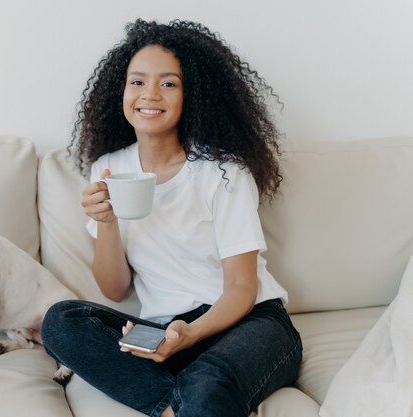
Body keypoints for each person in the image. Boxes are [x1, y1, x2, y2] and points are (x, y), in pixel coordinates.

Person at [41, 19, 302, 417]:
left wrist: (190, 334)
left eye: (168, 83)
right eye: (137, 82)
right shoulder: (109, 168)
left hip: (250, 321)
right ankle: (174, 408)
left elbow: (242, 286)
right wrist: (108, 223)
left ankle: (186, 397)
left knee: (207, 380)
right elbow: (114, 289)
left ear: (190, 95)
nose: (149, 95)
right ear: (121, 90)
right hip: (167, 331)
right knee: (62, 321)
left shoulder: (224, 172)